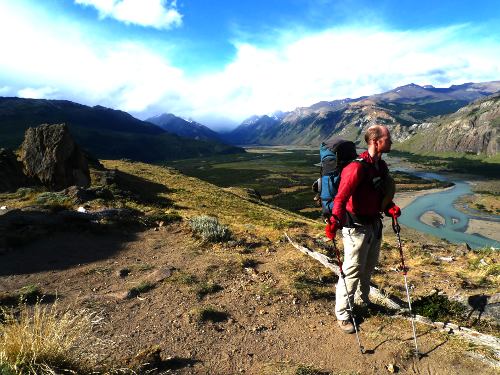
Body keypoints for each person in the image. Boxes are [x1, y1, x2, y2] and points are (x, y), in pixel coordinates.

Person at [325, 124, 401, 334]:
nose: (391, 141)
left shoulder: (380, 166)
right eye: (388, 138)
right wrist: (333, 222)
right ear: (376, 142)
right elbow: (340, 198)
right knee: (351, 271)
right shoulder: (356, 168)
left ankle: (362, 300)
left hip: (373, 224)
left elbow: (380, 196)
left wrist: (389, 207)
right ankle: (343, 314)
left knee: (368, 267)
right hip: (355, 228)